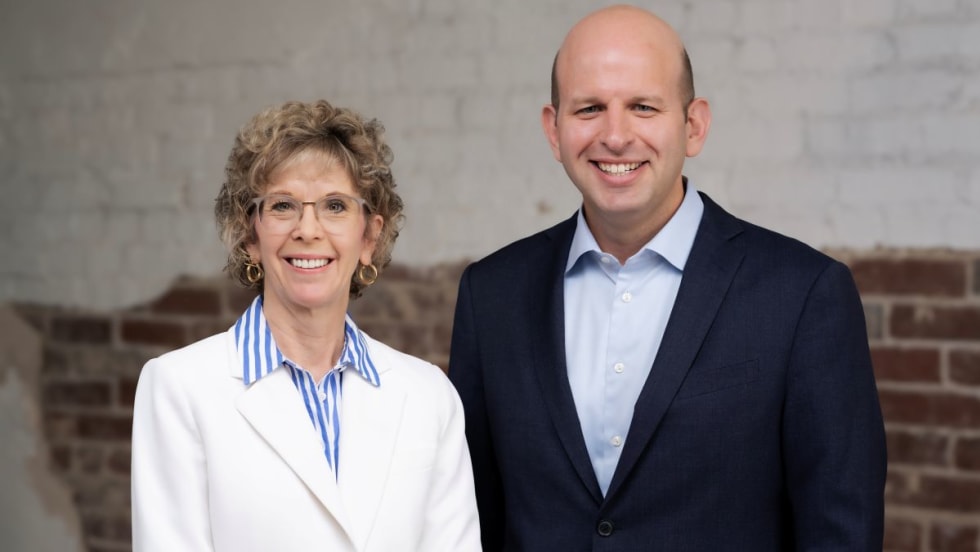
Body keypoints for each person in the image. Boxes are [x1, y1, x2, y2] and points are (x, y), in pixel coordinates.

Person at [448, 5, 886, 550]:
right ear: (553, 130)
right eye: (588, 108)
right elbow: (470, 519)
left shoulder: (803, 294)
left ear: (693, 125)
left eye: (643, 106)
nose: (615, 135)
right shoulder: (491, 296)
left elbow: (841, 530)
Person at [132, 100, 480, 551]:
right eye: (282, 206)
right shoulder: (178, 388)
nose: (308, 229)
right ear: (249, 236)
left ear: (369, 237)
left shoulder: (429, 395)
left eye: (335, 206)